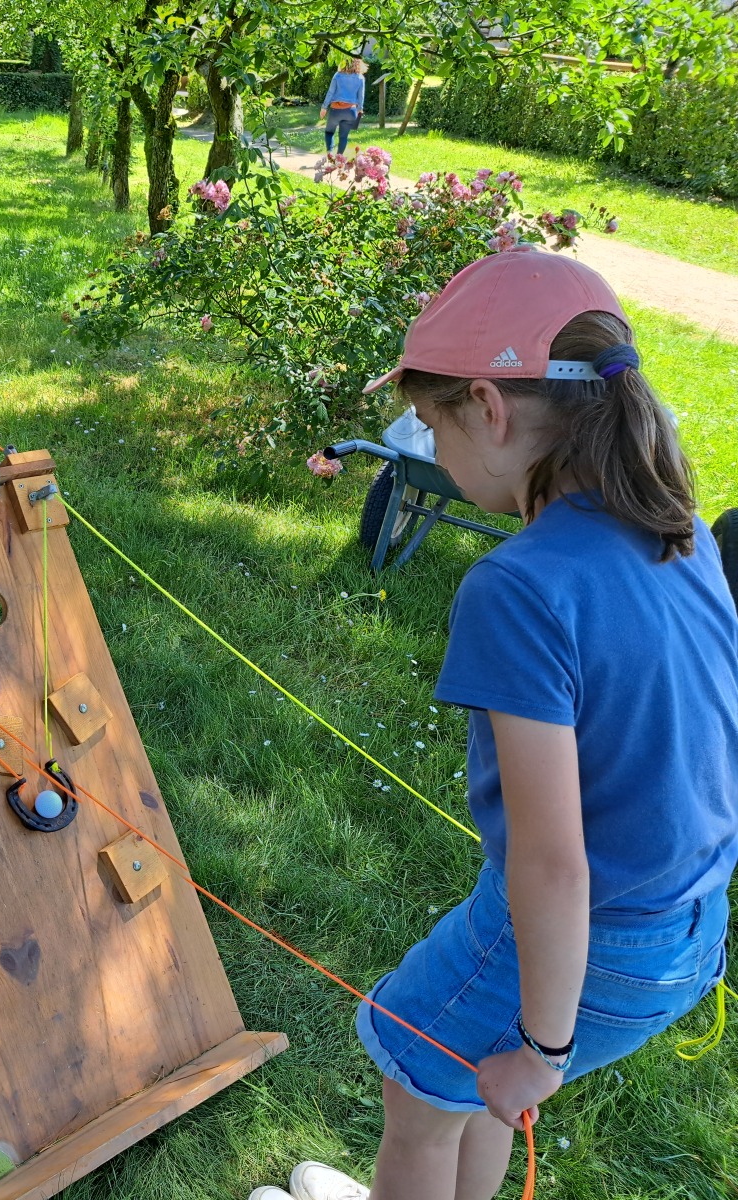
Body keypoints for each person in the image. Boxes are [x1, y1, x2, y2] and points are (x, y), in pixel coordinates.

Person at [249, 247, 737, 1200]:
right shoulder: (679, 532)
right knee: (470, 1093)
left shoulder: (520, 587)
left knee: (418, 1095)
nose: (433, 448)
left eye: (432, 425)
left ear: (488, 406)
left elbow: (552, 864)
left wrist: (545, 1050)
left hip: (588, 939)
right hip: (688, 932)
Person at [320, 58, 366, 157]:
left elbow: (330, 92)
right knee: (343, 136)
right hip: (351, 111)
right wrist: (359, 109)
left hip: (336, 110)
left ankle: (330, 153)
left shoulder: (338, 75)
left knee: (329, 132)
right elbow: (361, 97)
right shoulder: (360, 78)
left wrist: (324, 107)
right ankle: (339, 158)